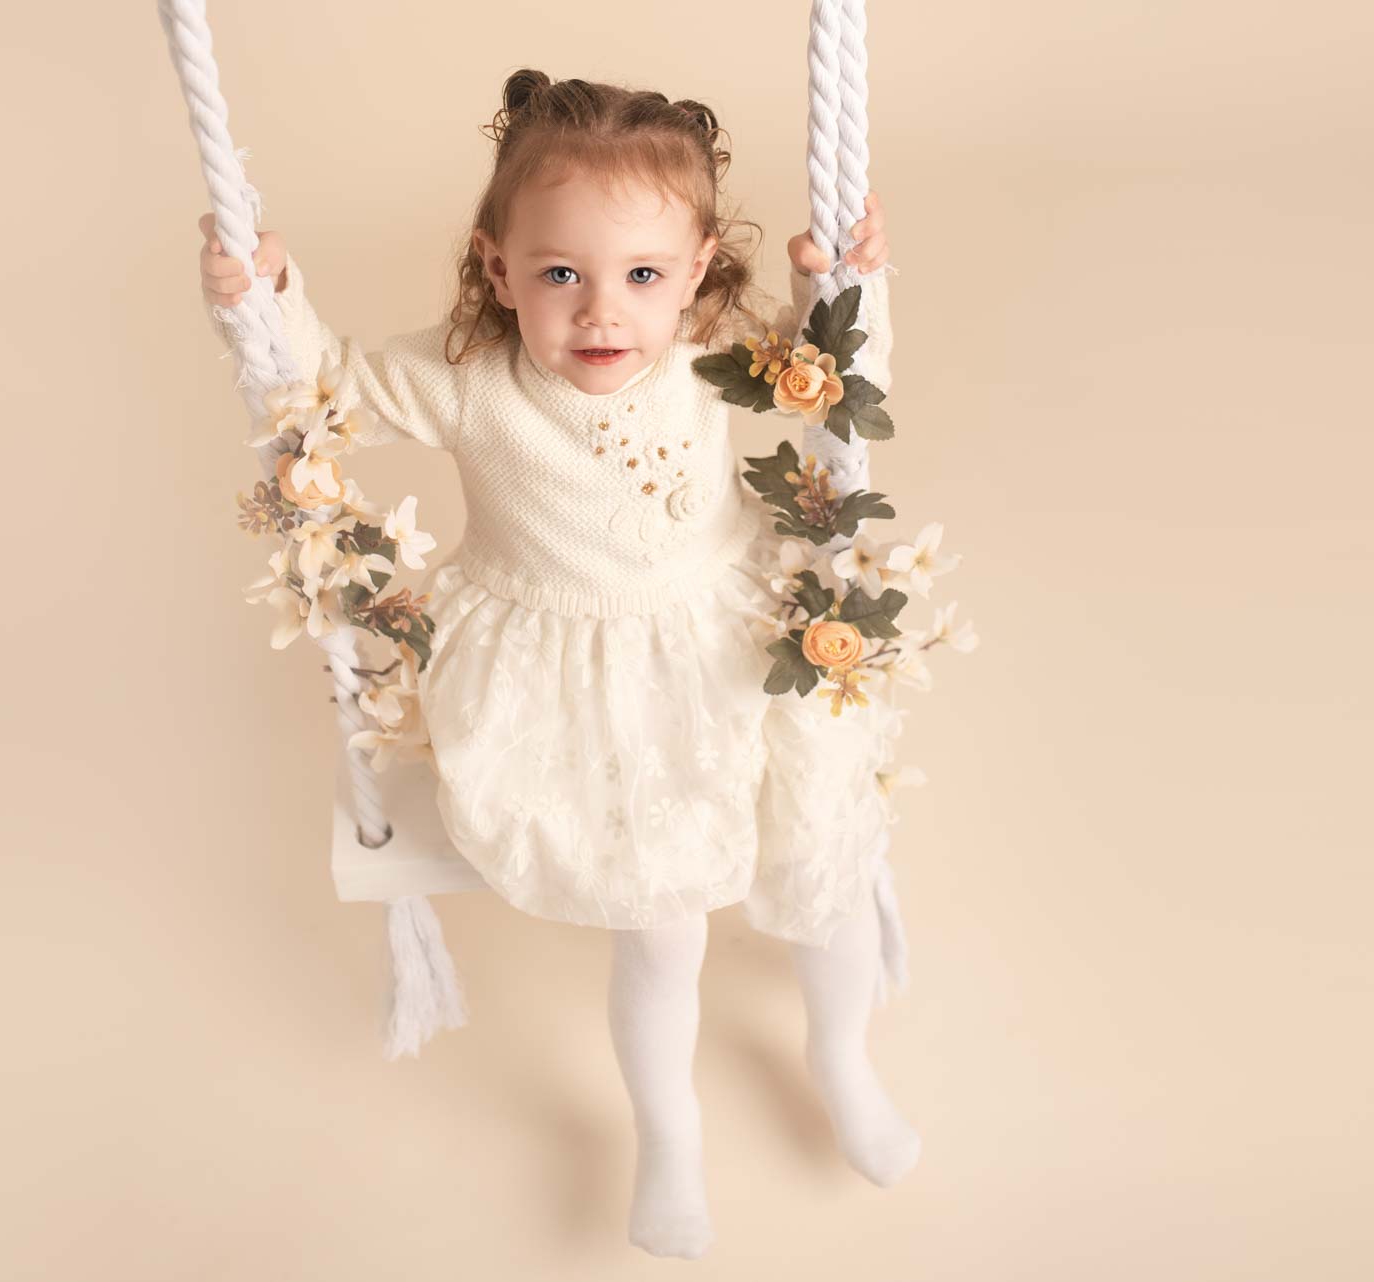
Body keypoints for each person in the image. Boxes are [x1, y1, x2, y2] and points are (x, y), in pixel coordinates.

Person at [198, 69, 917, 1259]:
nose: (601, 313)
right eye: (560, 275)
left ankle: (842, 1059)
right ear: (498, 269)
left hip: (723, 640)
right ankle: (669, 1134)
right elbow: (316, 384)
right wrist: (263, 293)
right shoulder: (468, 376)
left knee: (825, 852)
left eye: (641, 276)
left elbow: (842, 382)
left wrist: (847, 283)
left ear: (694, 275)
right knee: (664, 925)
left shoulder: (715, 352)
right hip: (566, 672)